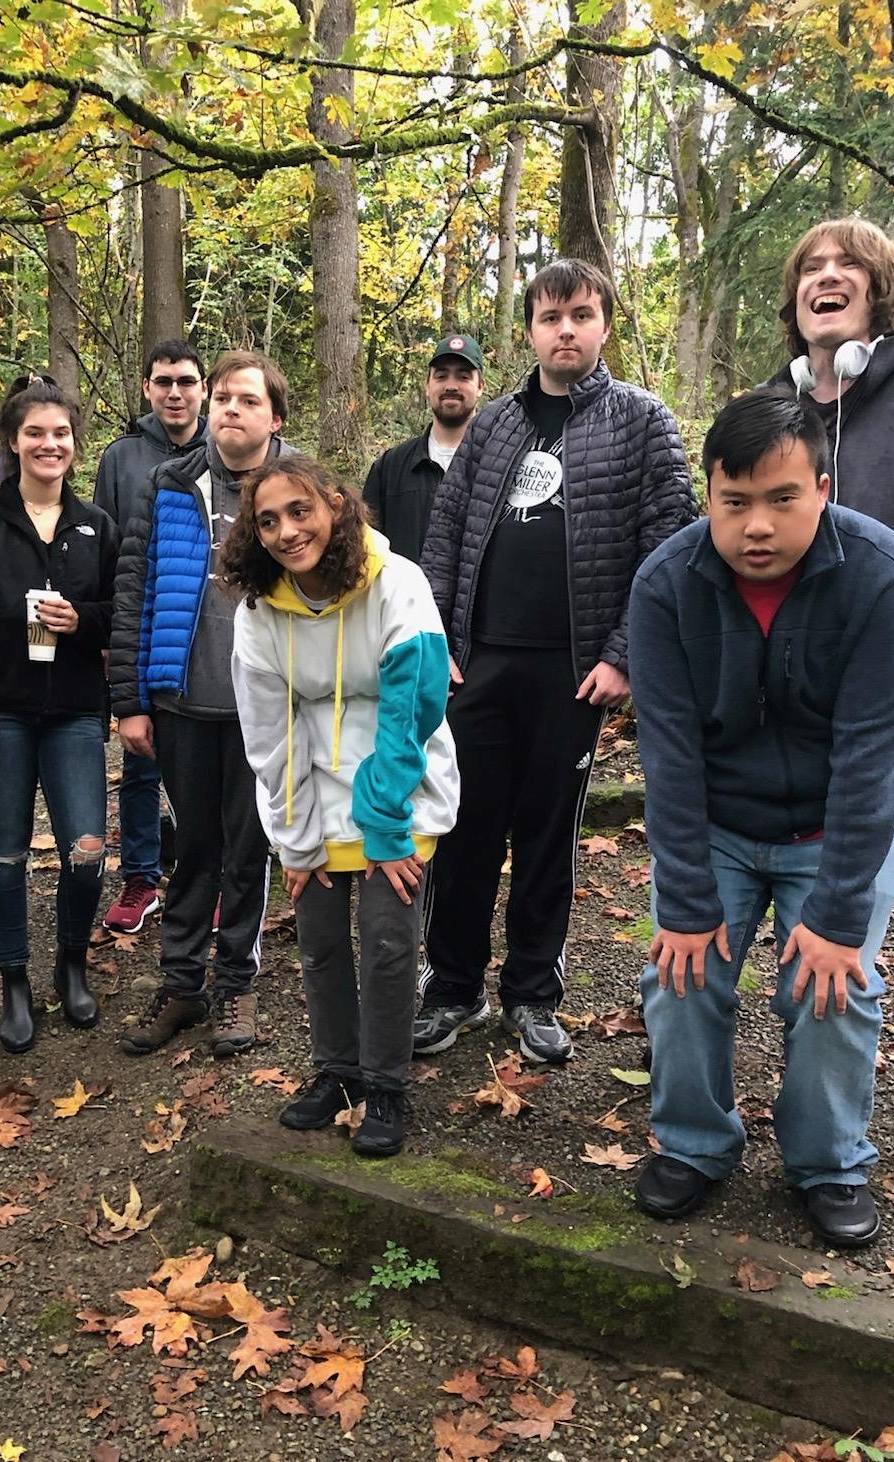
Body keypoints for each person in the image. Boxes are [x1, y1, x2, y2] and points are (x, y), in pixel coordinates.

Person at [630, 389, 894, 1249]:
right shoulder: (666, 585)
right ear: (709, 496)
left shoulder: (880, 575)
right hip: (715, 822)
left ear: (822, 489)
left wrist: (834, 918)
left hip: (836, 827)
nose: (757, 525)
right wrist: (684, 900)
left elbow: (873, 757)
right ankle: (694, 1143)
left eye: (781, 499)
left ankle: (827, 1162)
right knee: (682, 976)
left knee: (832, 986)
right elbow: (668, 755)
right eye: (735, 502)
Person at [414, 258, 697, 1063]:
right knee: (463, 831)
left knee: (547, 837)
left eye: (579, 314)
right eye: (548, 317)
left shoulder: (643, 421)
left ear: (604, 321)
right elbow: (445, 537)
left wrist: (623, 659)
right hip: (478, 665)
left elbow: (668, 551)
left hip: (572, 674)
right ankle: (452, 988)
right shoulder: (494, 422)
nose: (564, 329)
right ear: (530, 330)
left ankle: (533, 994)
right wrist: (440, 638)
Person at [223, 458, 459, 1155]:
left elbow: (411, 708)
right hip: (313, 790)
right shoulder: (260, 610)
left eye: (300, 511)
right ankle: (337, 1070)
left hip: (399, 785)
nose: (287, 532)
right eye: (268, 521)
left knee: (388, 939)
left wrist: (386, 825)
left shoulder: (397, 583)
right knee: (321, 939)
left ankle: (386, 1083)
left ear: (334, 505)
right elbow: (269, 732)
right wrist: (294, 837)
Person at [110, 351, 293, 1058]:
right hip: (183, 701)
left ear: (274, 416)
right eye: (223, 398)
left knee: (249, 852)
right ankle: (181, 985)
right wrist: (131, 700)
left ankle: (236, 987)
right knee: (193, 852)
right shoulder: (170, 482)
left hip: (266, 709)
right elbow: (136, 592)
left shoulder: (298, 486)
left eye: (247, 400)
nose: (229, 410)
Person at [0, 375, 119, 1053]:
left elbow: (117, 616)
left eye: (62, 433)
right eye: (36, 433)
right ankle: (15, 982)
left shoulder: (96, 525)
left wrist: (84, 620)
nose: (50, 444)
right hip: (1, 713)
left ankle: (72, 964)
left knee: (86, 852)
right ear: (13, 442)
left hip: (73, 710)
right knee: (6, 854)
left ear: (75, 443)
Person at [93, 339, 208, 934]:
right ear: (147, 389)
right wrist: (115, 641)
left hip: (207, 638)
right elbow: (113, 555)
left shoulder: (227, 450)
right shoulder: (123, 457)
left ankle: (202, 871)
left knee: (207, 766)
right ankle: (141, 876)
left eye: (186, 381)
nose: (174, 392)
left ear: (203, 389)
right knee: (140, 760)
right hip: (141, 631)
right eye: (163, 381)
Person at [770, 217, 894, 536]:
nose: (829, 275)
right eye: (812, 268)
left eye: (850, 263)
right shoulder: (764, 408)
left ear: (879, 291)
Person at [363, 334, 486, 563]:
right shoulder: (390, 468)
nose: (451, 385)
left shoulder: (499, 463)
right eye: (441, 376)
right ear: (428, 387)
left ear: (480, 387)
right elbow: (367, 549)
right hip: (407, 598)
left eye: (463, 376)